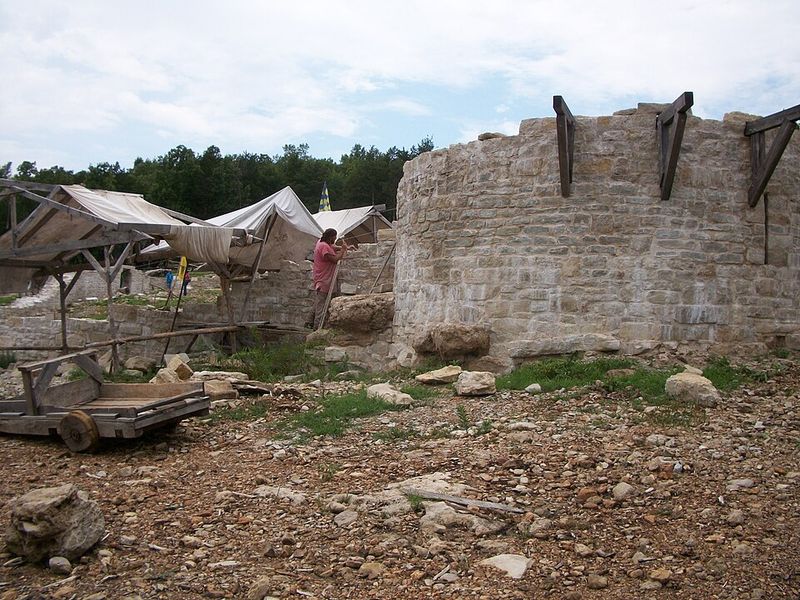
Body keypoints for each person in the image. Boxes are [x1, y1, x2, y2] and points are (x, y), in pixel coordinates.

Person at [312, 228, 348, 328]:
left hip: (325, 279)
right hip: (323, 280)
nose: (335, 239)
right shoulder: (323, 246)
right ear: (331, 237)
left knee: (321, 304)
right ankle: (317, 328)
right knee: (321, 306)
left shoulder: (322, 242)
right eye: (334, 237)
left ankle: (312, 323)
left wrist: (343, 247)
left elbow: (332, 246)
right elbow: (335, 259)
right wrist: (343, 250)